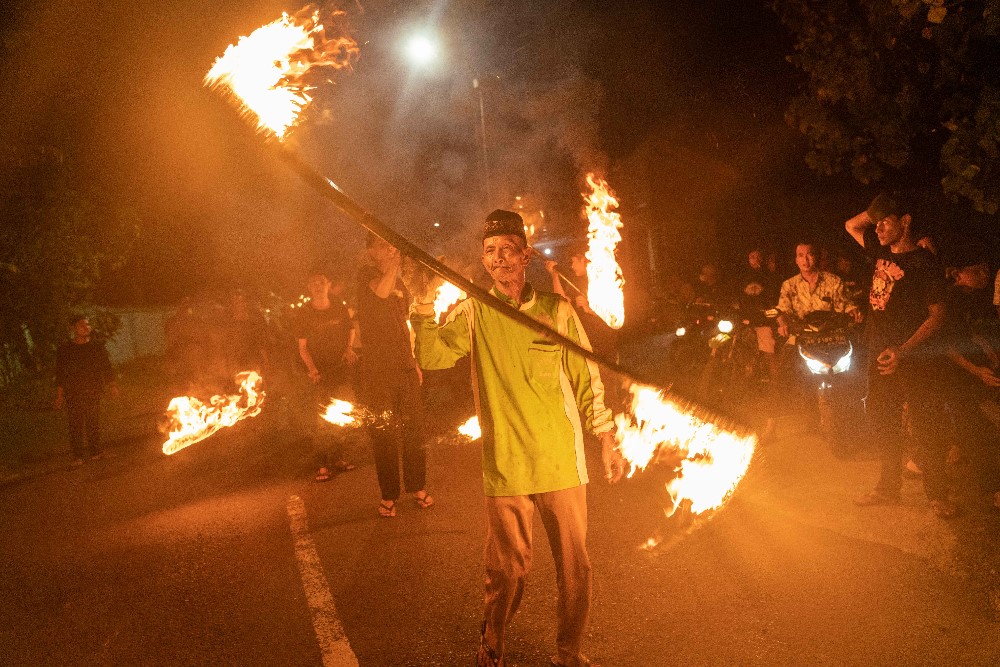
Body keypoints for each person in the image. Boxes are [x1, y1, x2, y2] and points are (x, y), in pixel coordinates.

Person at [409, 209, 624, 667]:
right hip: (506, 464)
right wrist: (423, 306)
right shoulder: (472, 310)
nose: (500, 257)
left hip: (562, 461)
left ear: (525, 255)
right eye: (490, 251)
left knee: (575, 570)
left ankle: (568, 653)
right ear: (484, 262)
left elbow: (586, 377)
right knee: (506, 572)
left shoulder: (556, 311)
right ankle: (492, 647)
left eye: (508, 248)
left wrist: (605, 435)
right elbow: (431, 355)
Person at [844, 192, 954, 518]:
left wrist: (903, 351)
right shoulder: (878, 252)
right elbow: (852, 225)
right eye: (876, 223)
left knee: (925, 423)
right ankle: (887, 488)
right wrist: (879, 209)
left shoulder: (924, 262)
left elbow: (937, 315)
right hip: (878, 353)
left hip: (913, 356)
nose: (877, 229)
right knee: (884, 422)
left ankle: (936, 494)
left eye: (885, 222)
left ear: (905, 222)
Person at [355, 235, 432, 517]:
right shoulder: (366, 276)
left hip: (405, 367)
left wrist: (414, 361)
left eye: (391, 245)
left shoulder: (398, 282)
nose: (390, 249)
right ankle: (389, 496)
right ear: (371, 251)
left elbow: (405, 323)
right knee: (385, 433)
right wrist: (394, 265)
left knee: (415, 430)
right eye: (383, 245)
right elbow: (380, 294)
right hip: (378, 371)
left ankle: (418, 487)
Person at [940, 249, 1000, 510]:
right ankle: (993, 489)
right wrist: (977, 371)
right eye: (977, 270)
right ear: (958, 275)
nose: (984, 275)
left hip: (977, 371)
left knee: (979, 427)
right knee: (979, 432)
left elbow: (975, 335)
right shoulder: (949, 301)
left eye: (987, 269)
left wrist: (988, 357)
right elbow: (946, 345)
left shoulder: (976, 297)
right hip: (954, 375)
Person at [294, 270, 358, 482]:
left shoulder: (338, 306)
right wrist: (312, 369)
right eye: (313, 283)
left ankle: (338, 458)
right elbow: (302, 347)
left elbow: (350, 329)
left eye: (321, 281)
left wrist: (349, 348)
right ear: (309, 287)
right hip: (319, 373)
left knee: (340, 414)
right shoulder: (305, 313)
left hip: (340, 369)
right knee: (321, 419)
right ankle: (322, 464)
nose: (318, 286)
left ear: (328, 284)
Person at [54, 316, 119, 466]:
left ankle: (96, 452)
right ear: (73, 328)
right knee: (75, 425)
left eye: (88, 324)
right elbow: (61, 374)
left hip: (93, 391)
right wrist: (59, 396)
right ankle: (77, 457)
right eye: (81, 325)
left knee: (93, 423)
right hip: (73, 393)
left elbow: (106, 368)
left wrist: (112, 386)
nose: (86, 327)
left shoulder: (96, 347)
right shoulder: (65, 350)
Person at [775, 241, 862, 339]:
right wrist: (783, 324)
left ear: (815, 257)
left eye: (810, 255)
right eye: (801, 255)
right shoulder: (788, 285)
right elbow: (782, 311)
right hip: (799, 336)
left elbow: (846, 305)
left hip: (829, 336)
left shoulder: (834, 281)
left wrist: (853, 311)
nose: (805, 259)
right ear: (796, 260)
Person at [735, 247, 782, 384]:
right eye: (752, 257)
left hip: (762, 321)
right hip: (745, 320)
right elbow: (736, 295)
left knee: (768, 353)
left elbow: (773, 296)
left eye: (758, 257)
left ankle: (775, 386)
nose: (756, 260)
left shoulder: (768, 275)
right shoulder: (742, 276)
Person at [224, 289, 269, 377]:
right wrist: (228, 364)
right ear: (232, 305)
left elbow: (261, 342)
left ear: (245, 303)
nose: (239, 304)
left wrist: (265, 359)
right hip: (236, 360)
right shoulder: (228, 323)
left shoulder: (254, 321)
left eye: (241, 301)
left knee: (255, 385)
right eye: (236, 301)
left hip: (253, 358)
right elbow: (226, 345)